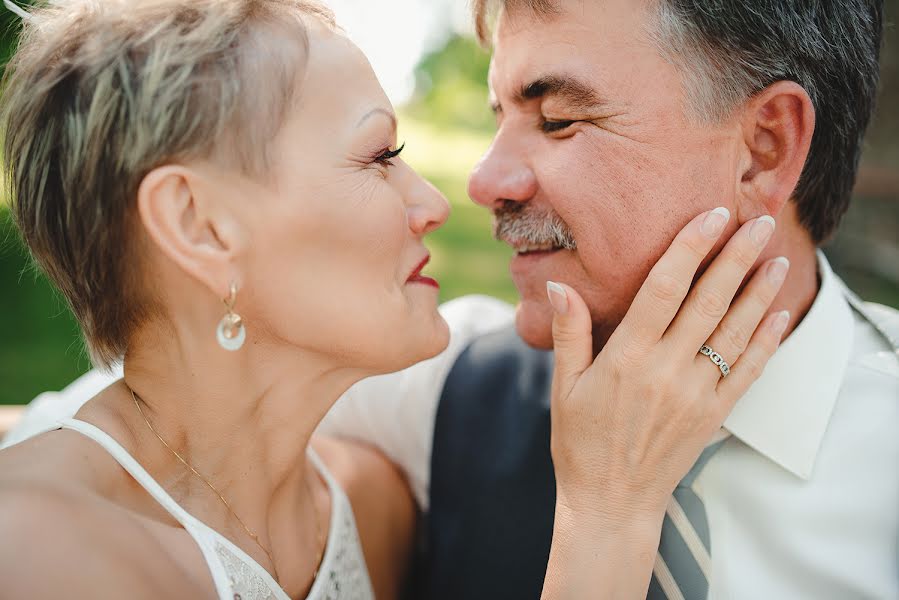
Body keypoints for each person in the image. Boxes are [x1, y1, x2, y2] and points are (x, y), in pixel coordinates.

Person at [0, 0, 790, 598]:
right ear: (199, 225)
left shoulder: (370, 510)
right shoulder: (38, 552)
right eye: (381, 155)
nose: (440, 202)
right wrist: (607, 519)